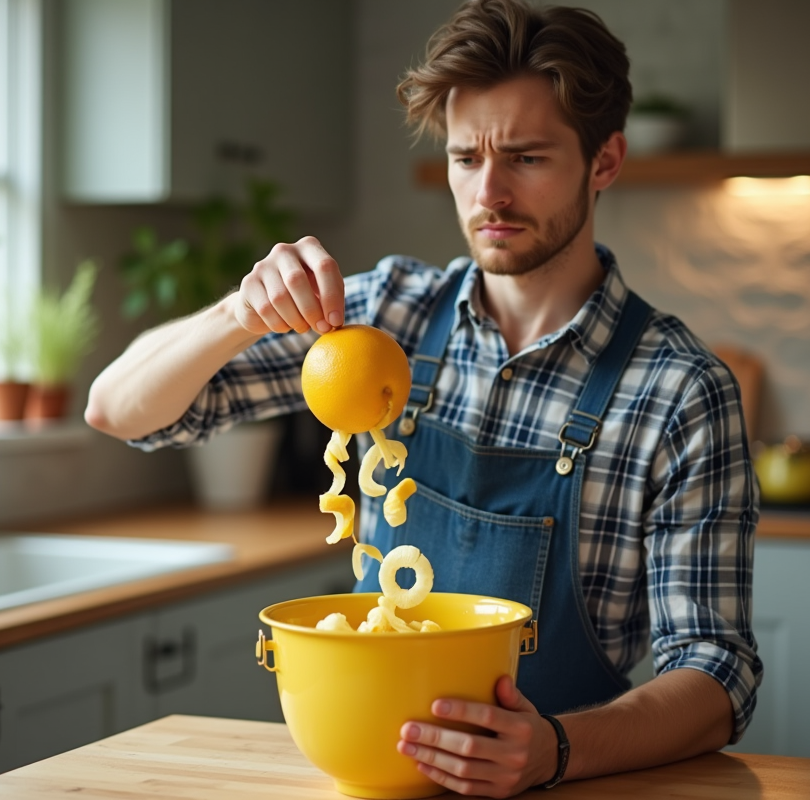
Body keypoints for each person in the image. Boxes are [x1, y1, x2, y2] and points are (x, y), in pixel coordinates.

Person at [85, 0, 762, 796]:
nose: (489, 194)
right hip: (371, 774)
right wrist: (240, 313)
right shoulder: (387, 315)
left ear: (604, 161)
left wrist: (555, 750)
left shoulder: (680, 390)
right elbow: (119, 409)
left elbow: (718, 676)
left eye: (527, 158)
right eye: (465, 158)